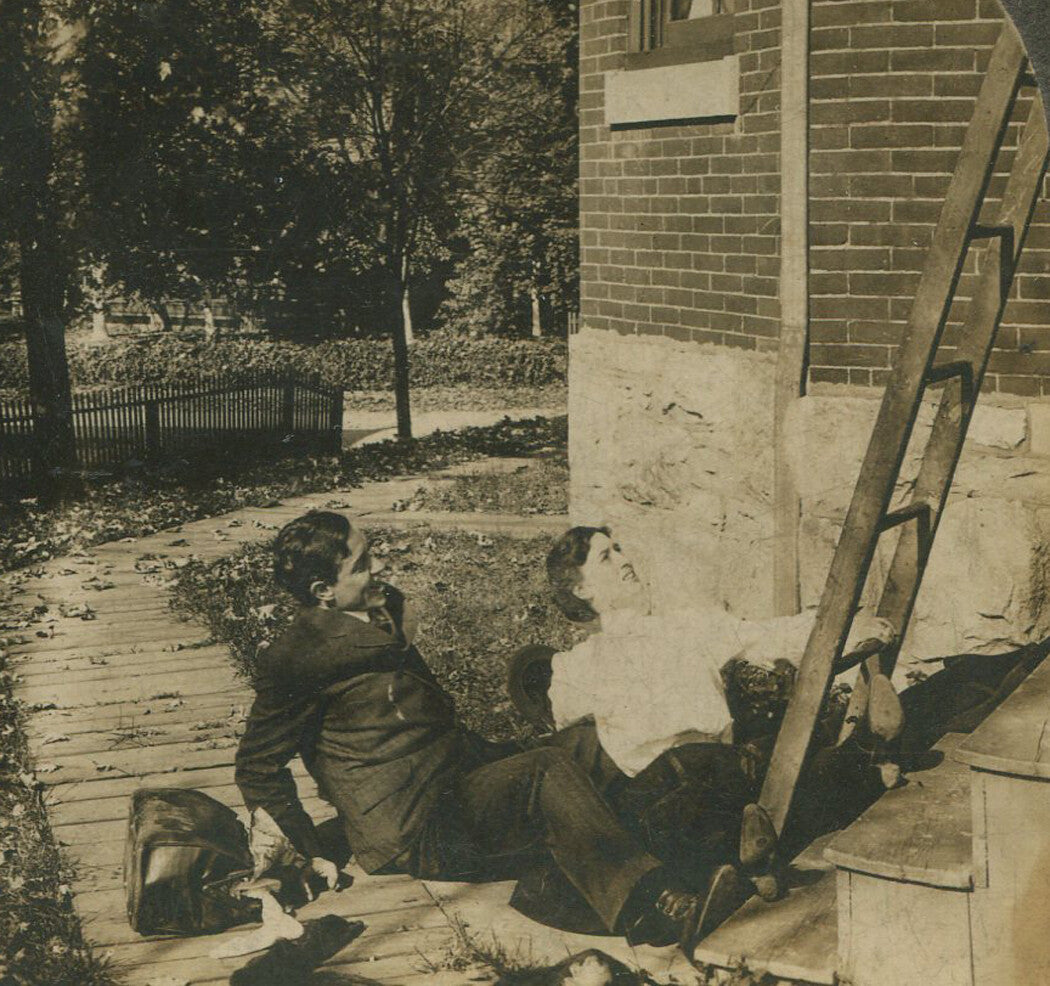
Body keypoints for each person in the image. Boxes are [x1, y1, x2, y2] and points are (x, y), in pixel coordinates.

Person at [234, 511, 750, 954]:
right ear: (324, 593)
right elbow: (257, 765)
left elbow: (425, 717)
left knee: (588, 742)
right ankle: (655, 903)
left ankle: (696, 837)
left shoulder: (379, 611)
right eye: (363, 564)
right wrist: (308, 847)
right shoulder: (296, 660)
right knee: (546, 771)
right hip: (420, 828)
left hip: (459, 779)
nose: (380, 568)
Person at [535, 525, 896, 888]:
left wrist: (852, 627)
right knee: (690, 791)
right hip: (655, 790)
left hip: (717, 767)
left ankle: (751, 854)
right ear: (582, 589)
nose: (624, 559)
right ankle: (858, 764)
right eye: (606, 556)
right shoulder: (576, 665)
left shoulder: (684, 627)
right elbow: (568, 736)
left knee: (750, 761)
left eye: (618, 548)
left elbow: (771, 634)